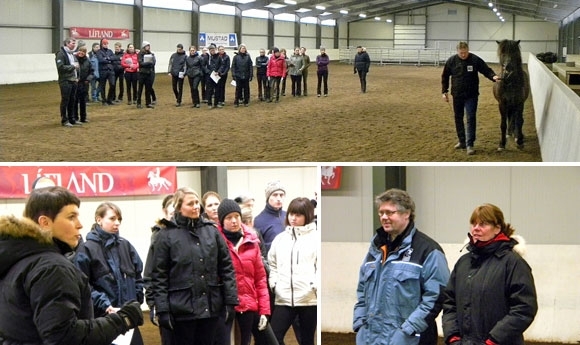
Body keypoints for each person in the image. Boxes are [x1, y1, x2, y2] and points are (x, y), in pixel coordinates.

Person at [0, 186, 143, 344]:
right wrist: (122, 320)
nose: (79, 224)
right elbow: (65, 337)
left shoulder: (17, 260)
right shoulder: (51, 267)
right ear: (45, 222)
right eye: (71, 217)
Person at [353, 188, 450, 345]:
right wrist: (360, 323)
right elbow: (362, 291)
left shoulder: (428, 250)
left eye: (390, 212)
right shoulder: (376, 249)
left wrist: (408, 330)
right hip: (370, 338)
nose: (384, 217)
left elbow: (437, 296)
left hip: (409, 339)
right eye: (381, 212)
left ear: (407, 214)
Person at [149, 187, 239, 345]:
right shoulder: (166, 235)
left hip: (210, 308)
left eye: (197, 202)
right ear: (179, 207)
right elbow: (159, 276)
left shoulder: (212, 231)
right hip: (181, 310)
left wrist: (230, 301)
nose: (196, 206)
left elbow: (226, 268)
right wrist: (162, 310)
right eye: (191, 203)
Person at [442, 203, 538, 345]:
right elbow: (449, 302)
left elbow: (524, 308)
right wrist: (452, 336)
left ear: (497, 228)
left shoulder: (513, 263)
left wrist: (494, 340)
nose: (476, 228)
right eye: (473, 223)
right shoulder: (464, 262)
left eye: (483, 224)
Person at [74, 202, 145, 345]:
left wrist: (136, 299)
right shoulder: (86, 249)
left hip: (129, 318)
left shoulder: (126, 246)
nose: (117, 223)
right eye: (112, 219)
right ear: (98, 219)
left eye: (119, 219)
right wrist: (104, 304)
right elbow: (83, 285)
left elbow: (138, 275)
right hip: (103, 321)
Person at [216, 199, 272, 345]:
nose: (234, 221)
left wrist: (264, 310)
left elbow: (260, 279)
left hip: (247, 305)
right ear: (221, 221)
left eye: (237, 216)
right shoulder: (215, 242)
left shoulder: (252, 242)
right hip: (224, 306)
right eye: (229, 218)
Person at [268, 197, 318, 345]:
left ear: (307, 216)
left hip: (308, 299)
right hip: (283, 297)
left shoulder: (315, 239)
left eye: (298, 215)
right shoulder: (280, 239)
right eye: (291, 214)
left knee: (307, 341)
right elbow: (273, 264)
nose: (293, 218)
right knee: (273, 338)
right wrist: (274, 284)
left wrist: (313, 285)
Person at [442, 41, 499, 156]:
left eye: (465, 52)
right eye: (461, 53)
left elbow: (486, 70)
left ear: (468, 50)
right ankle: (462, 141)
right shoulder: (451, 61)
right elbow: (445, 76)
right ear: (457, 51)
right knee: (458, 118)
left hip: (471, 95)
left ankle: (470, 144)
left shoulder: (475, 60)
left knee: (470, 118)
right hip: (457, 95)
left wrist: (493, 76)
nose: (463, 55)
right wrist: (444, 91)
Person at [144, 194, 175, 345]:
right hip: (167, 304)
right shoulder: (158, 237)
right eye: (172, 214)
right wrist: (152, 304)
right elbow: (149, 272)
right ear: (165, 213)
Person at [254, 180, 286, 252]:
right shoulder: (258, 221)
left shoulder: (289, 216)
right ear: (268, 197)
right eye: (275, 195)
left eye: (281, 195)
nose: (278, 199)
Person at [55, 37, 80, 127]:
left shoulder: (72, 54)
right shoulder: (61, 54)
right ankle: (64, 119)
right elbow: (60, 67)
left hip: (73, 80)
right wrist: (72, 67)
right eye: (73, 43)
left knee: (72, 100)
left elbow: (77, 66)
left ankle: (72, 118)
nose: (74, 45)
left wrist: (78, 77)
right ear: (67, 43)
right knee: (65, 100)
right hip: (65, 80)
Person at [73, 45, 93, 123]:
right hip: (75, 83)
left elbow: (91, 72)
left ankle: (83, 117)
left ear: (85, 53)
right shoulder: (74, 60)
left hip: (84, 83)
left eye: (83, 52)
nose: (81, 53)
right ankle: (75, 117)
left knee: (83, 101)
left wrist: (88, 79)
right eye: (80, 51)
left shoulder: (88, 61)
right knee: (75, 101)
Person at [96, 38, 117, 105]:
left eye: (106, 43)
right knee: (103, 86)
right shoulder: (99, 52)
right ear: (101, 44)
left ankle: (109, 99)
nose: (106, 45)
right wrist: (109, 59)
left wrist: (107, 58)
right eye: (104, 44)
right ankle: (104, 100)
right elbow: (101, 60)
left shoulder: (110, 51)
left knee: (113, 84)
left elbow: (114, 58)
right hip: (103, 70)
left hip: (110, 70)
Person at [232, 43, 253, 107]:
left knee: (246, 89)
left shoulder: (248, 57)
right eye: (242, 48)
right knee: (238, 89)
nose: (243, 49)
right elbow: (233, 66)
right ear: (239, 49)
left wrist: (251, 74)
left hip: (246, 75)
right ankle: (236, 101)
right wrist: (233, 75)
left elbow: (250, 66)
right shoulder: (236, 57)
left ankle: (246, 101)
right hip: (238, 75)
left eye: (244, 48)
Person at [137, 41, 156, 109]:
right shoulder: (140, 54)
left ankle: (148, 103)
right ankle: (138, 103)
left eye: (149, 46)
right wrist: (148, 63)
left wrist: (148, 63)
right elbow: (141, 63)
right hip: (142, 74)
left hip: (149, 73)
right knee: (140, 89)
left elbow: (153, 62)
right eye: (147, 46)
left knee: (148, 89)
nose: (148, 47)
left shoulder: (151, 54)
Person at [204, 44, 221, 109]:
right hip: (209, 76)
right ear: (209, 50)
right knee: (209, 90)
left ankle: (216, 103)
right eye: (211, 50)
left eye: (213, 50)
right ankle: (209, 103)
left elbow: (221, 65)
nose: (212, 51)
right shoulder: (206, 57)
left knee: (217, 90)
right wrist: (208, 72)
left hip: (216, 75)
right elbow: (203, 66)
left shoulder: (218, 57)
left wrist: (218, 71)